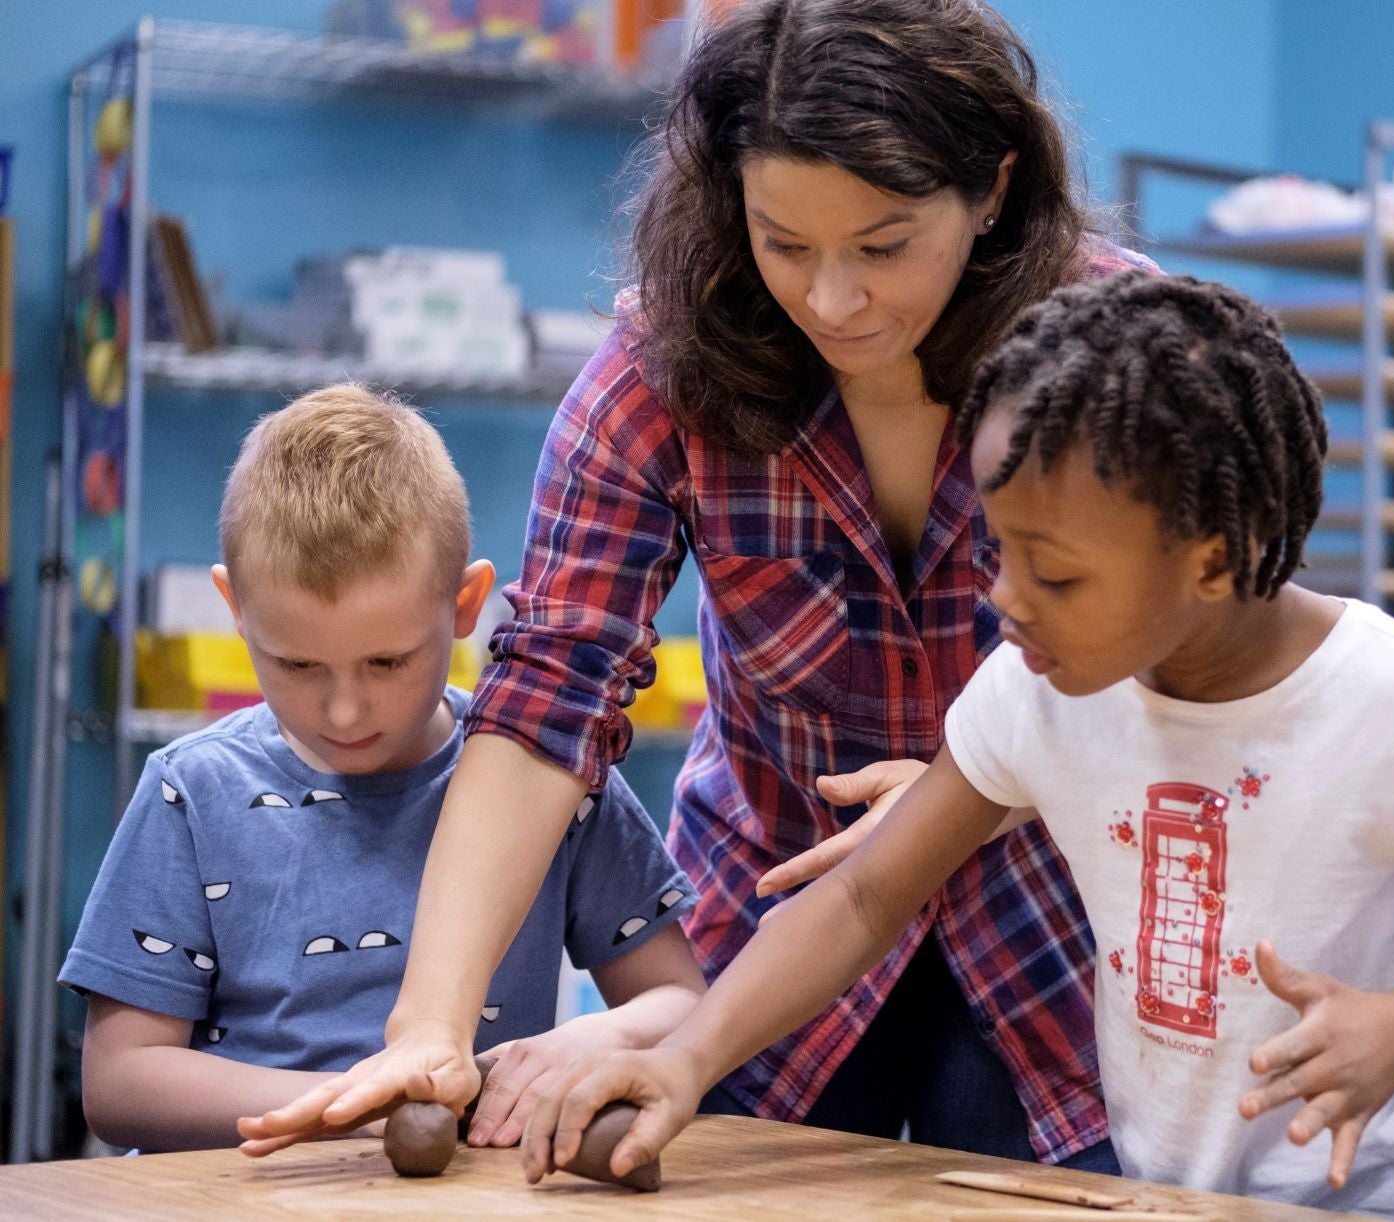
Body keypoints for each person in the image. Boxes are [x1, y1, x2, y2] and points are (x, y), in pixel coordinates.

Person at [240, 0, 1154, 1170]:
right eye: (784, 241)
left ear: (993, 187)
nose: (833, 300)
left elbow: (1200, 667)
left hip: (1058, 934)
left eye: (883, 246)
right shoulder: (656, 376)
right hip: (778, 941)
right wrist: (430, 1023)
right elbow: (543, 706)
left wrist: (984, 788)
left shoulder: (1109, 347)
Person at [537, 275, 1394, 1220]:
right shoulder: (1035, 693)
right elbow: (864, 898)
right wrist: (685, 1059)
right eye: (1001, 552)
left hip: (1368, 1192)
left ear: (1212, 559)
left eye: (1057, 574)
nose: (1005, 599)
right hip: (1150, 1183)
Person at [59, 385, 704, 1152]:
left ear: (467, 605)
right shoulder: (190, 793)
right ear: (235, 609)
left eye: (388, 661)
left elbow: (681, 1002)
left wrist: (586, 1045)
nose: (343, 711)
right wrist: (363, 1100)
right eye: (297, 663)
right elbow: (121, 1083)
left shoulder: (551, 776)